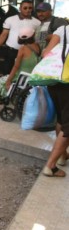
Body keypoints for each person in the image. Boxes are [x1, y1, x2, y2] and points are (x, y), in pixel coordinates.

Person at [0, 27, 40, 113]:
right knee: (0, 82)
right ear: (33, 35)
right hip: (28, 78)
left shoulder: (23, 49)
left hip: (18, 78)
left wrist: (8, 81)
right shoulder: (37, 47)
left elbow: (15, 67)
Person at [40, 25, 69, 177]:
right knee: (68, 126)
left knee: (62, 119)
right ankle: (51, 166)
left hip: (55, 80)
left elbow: (46, 54)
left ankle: (63, 156)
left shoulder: (62, 30)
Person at [0, 0, 40, 75]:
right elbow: (3, 35)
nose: (28, 10)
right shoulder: (10, 19)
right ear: (20, 8)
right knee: (7, 73)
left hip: (28, 52)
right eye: (25, 8)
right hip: (11, 51)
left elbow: (36, 38)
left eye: (30, 8)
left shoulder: (37, 22)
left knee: (24, 73)